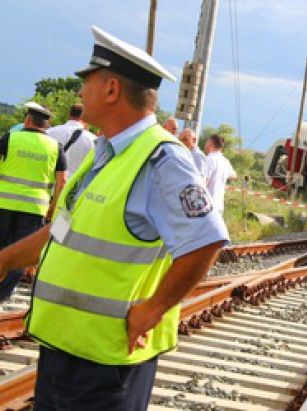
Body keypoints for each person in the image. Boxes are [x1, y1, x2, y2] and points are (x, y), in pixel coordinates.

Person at [0, 26, 228, 409]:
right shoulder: (105, 152)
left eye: (86, 83)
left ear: (111, 90)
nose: (80, 93)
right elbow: (63, 230)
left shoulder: (162, 159)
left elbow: (207, 239)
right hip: (63, 346)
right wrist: (5, 259)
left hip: (108, 363)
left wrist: (154, 309)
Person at [0, 102, 67, 301]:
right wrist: (54, 205)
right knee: (23, 253)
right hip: (35, 207)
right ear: (46, 125)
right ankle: (3, 295)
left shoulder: (10, 137)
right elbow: (61, 179)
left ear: (27, 120)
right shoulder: (56, 147)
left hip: (3, 202)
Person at [46, 103, 96, 177]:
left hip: (50, 184)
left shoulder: (49, 133)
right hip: (75, 186)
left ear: (69, 114)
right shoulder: (93, 140)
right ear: (85, 117)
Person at [205, 134, 237, 213]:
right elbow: (234, 175)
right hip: (219, 205)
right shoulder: (225, 161)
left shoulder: (209, 160)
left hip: (207, 205)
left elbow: (205, 181)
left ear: (210, 143)